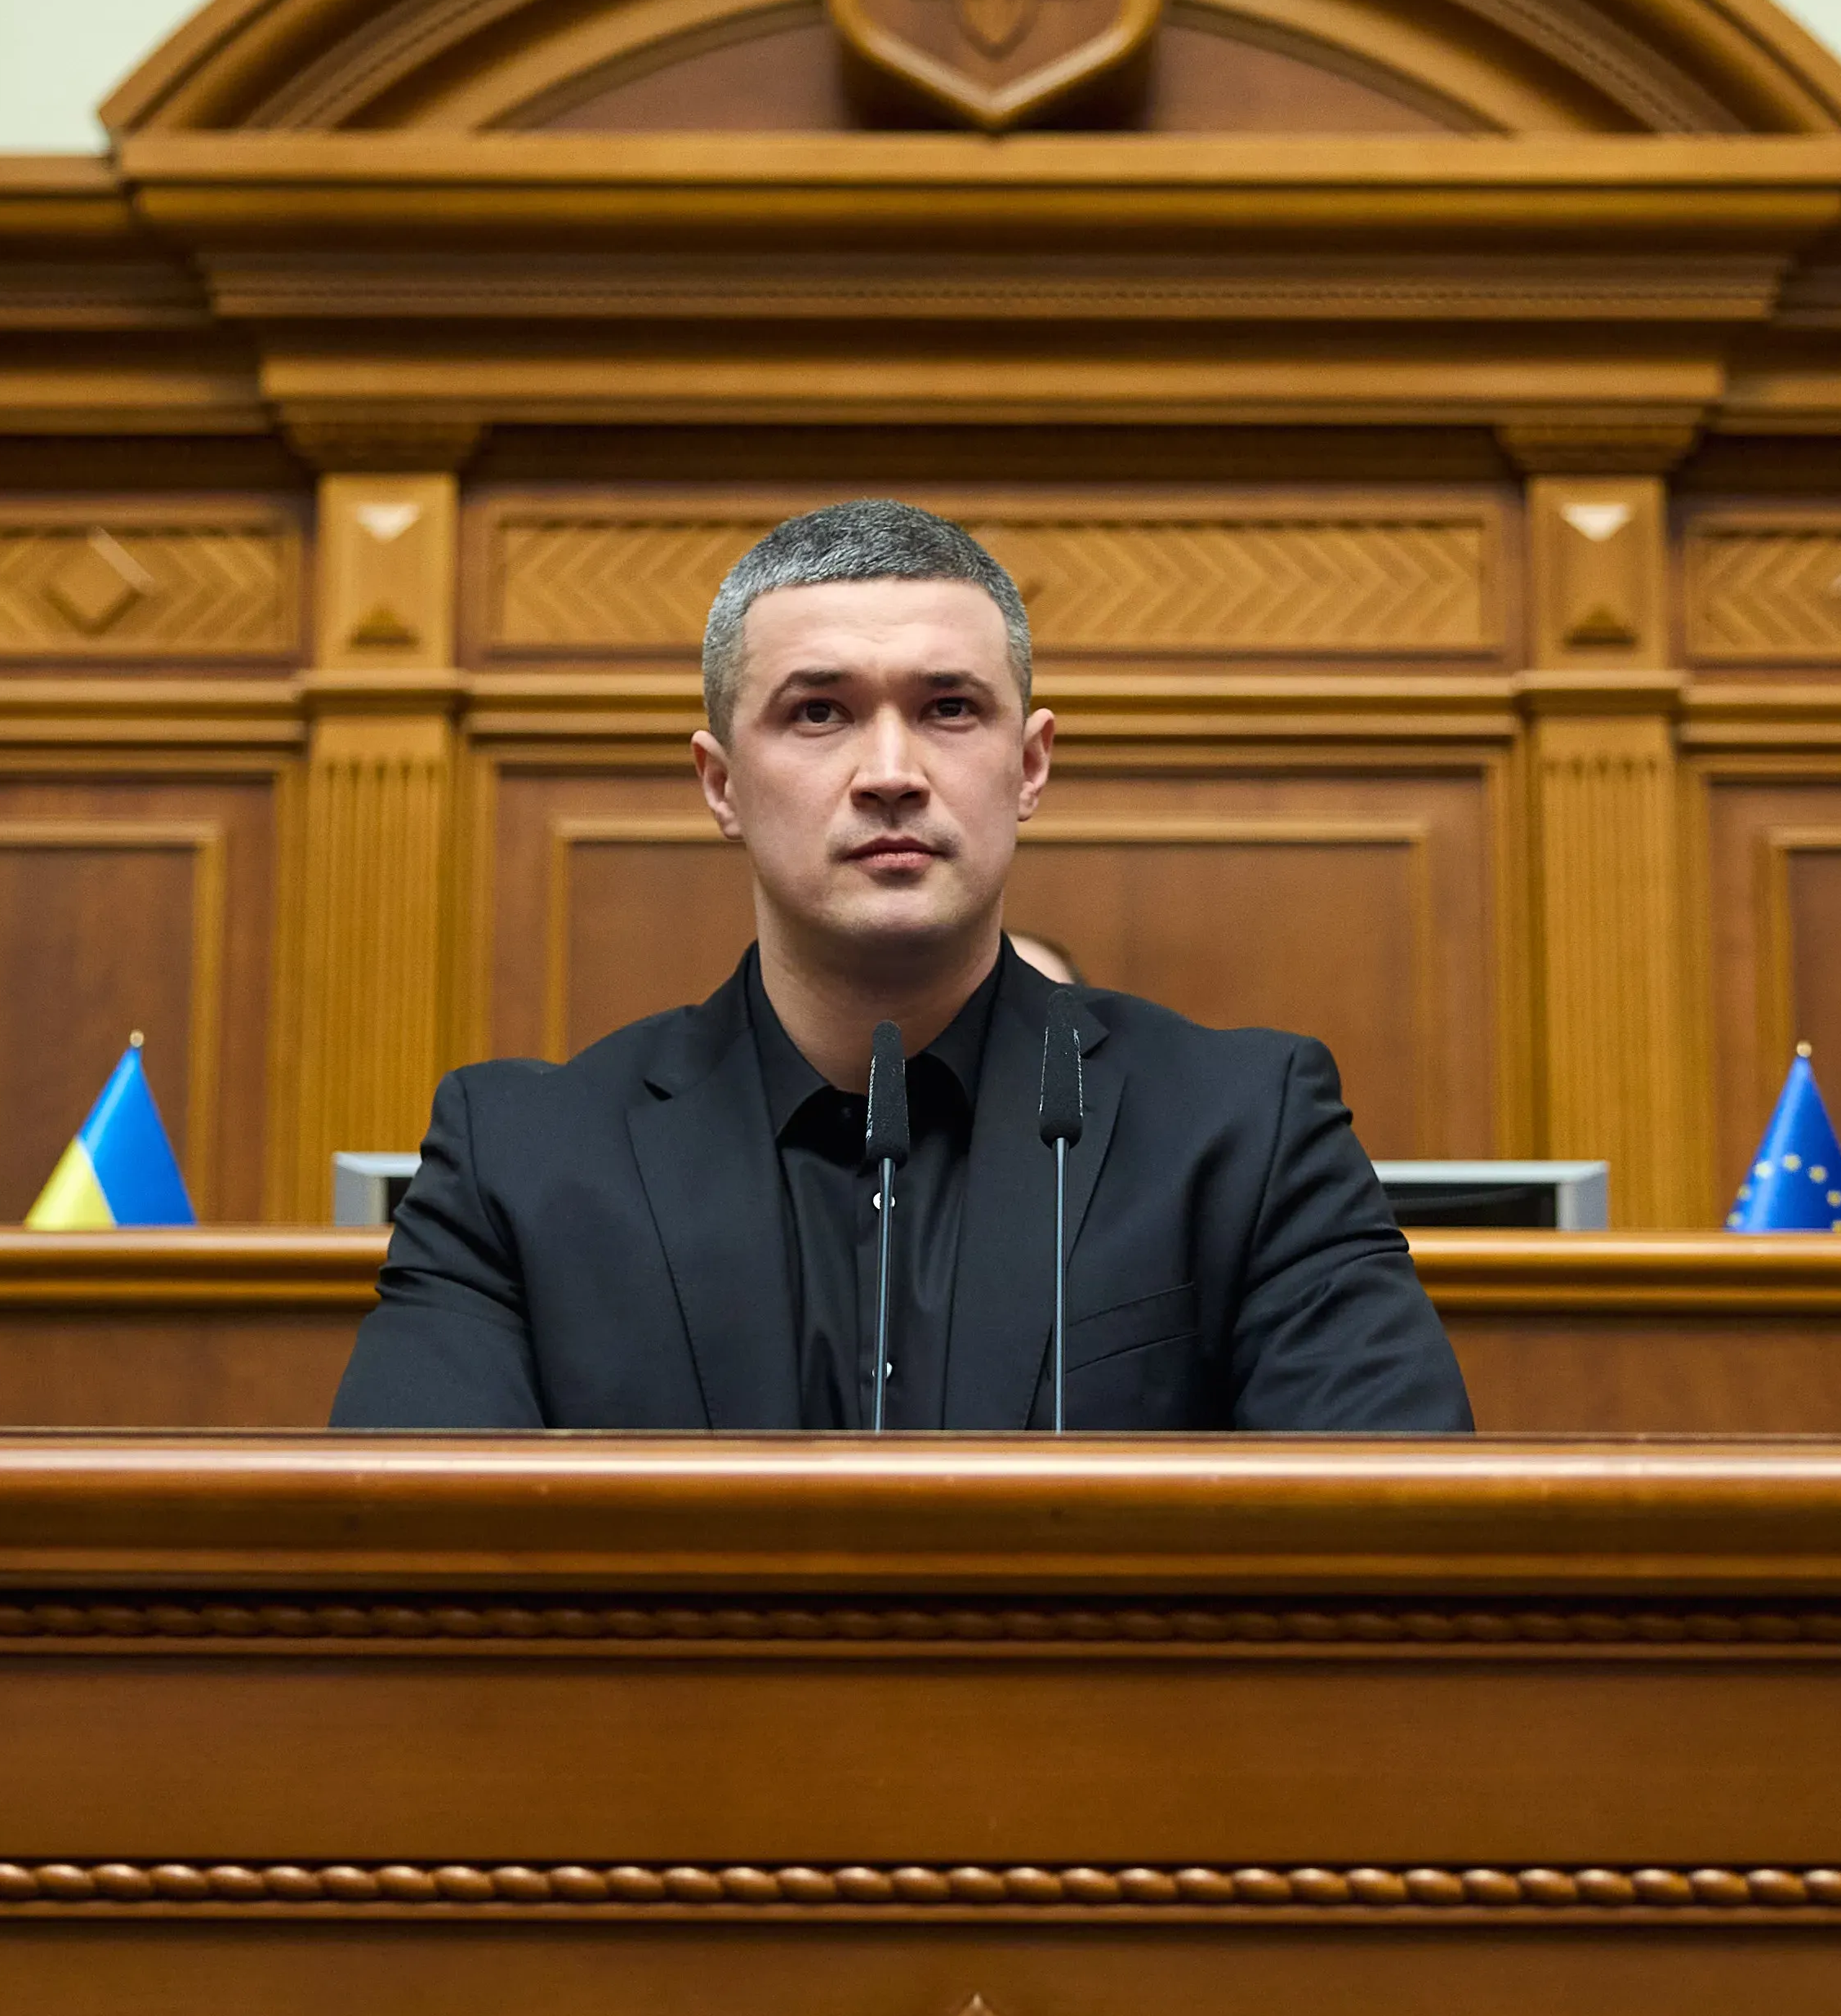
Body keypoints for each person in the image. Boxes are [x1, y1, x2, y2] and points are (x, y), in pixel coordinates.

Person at [332, 500, 1470, 1434]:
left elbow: (1406, 1541)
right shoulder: (521, 1161)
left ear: (1028, 767)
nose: (891, 771)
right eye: (818, 711)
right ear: (720, 783)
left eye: (948, 710)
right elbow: (406, 1568)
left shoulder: (1242, 1130)